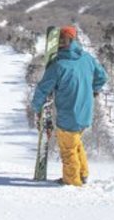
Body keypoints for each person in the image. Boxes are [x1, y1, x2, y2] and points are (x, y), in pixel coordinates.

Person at [30, 25, 108, 187]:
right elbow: (102, 77)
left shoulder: (58, 65)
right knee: (75, 143)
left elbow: (43, 89)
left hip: (69, 115)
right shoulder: (86, 58)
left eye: (62, 39)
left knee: (68, 150)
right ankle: (82, 173)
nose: (60, 42)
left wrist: (36, 108)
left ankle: (72, 181)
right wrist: (94, 90)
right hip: (85, 112)